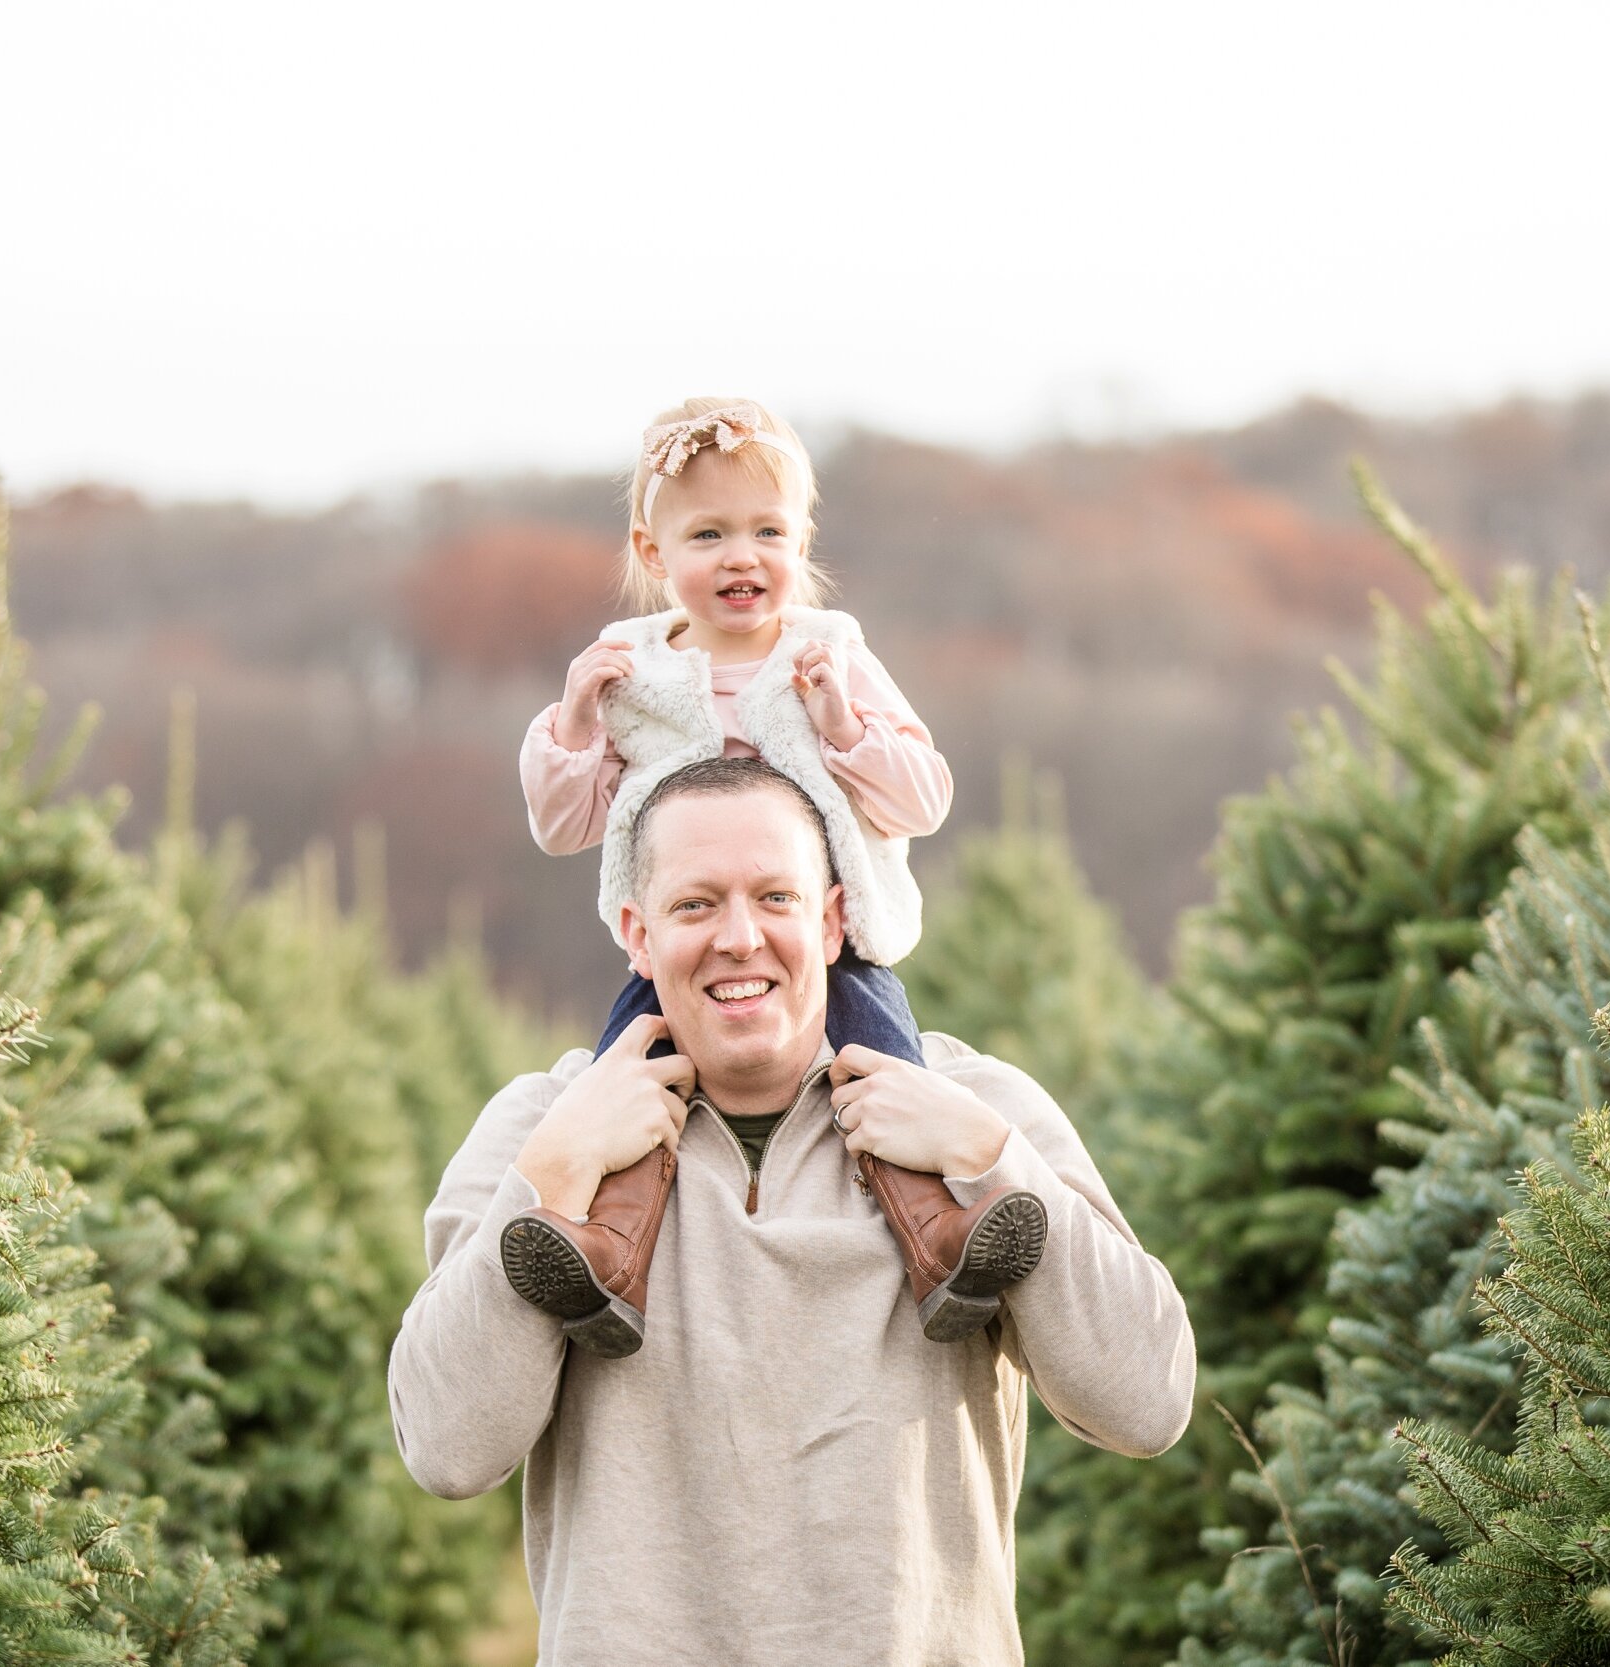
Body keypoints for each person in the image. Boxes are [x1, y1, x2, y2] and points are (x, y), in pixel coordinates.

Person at [388, 756, 1196, 1665]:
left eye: (776, 897)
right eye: (696, 905)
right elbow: (447, 1447)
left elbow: (1149, 1400)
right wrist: (550, 1175)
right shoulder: (541, 1126)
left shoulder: (973, 1105)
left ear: (834, 917)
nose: (740, 938)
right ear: (637, 934)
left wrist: (995, 1160)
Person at [513, 397, 1039, 1354]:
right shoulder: (628, 669)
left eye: (768, 532)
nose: (741, 557)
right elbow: (561, 825)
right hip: (683, 957)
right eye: (707, 534)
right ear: (652, 548)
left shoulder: (829, 654)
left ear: (803, 540)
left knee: (886, 1077)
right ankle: (606, 1261)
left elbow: (923, 798)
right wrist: (575, 726)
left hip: (828, 945)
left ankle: (941, 1245)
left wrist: (843, 726)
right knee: (625, 1086)